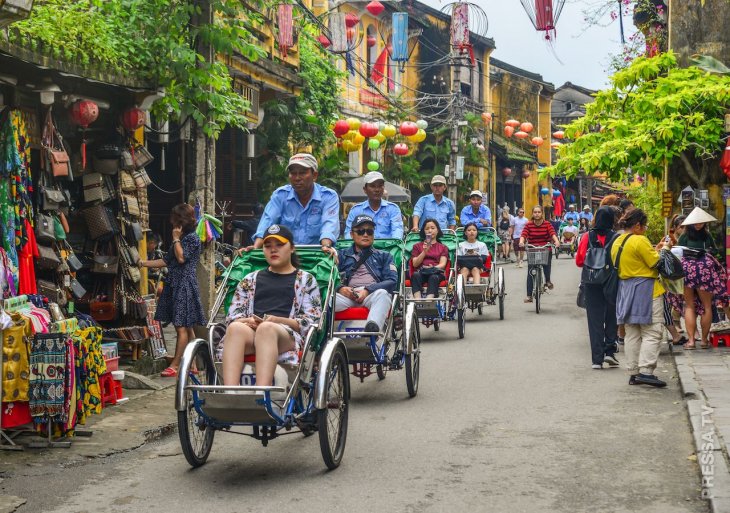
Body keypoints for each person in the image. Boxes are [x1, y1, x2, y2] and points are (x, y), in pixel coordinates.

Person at [221, 224, 321, 387]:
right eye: (268, 246)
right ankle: (231, 393)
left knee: (266, 329)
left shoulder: (305, 280)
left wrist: (275, 321)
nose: (273, 250)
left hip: (286, 335)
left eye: (280, 245)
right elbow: (233, 317)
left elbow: (311, 322)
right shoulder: (249, 279)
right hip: (251, 331)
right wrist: (249, 321)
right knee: (235, 329)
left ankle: (262, 393)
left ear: (292, 248)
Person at [139, 204, 207, 378]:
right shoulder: (183, 237)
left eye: (174, 218)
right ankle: (192, 364)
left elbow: (181, 258)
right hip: (175, 284)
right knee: (188, 327)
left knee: (181, 327)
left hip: (185, 285)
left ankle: (176, 364)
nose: (171, 222)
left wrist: (176, 239)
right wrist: (143, 263)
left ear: (180, 220)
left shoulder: (192, 238)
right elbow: (167, 261)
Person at [611, 208, 669, 387]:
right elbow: (655, 262)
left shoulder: (617, 241)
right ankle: (646, 371)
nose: (645, 229)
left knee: (632, 332)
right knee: (652, 331)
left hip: (626, 289)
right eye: (644, 226)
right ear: (637, 225)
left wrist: (654, 249)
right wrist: (665, 249)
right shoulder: (640, 240)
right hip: (646, 289)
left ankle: (633, 371)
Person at [252, 153, 339, 256]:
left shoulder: (329, 196)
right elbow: (267, 222)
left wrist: (326, 247)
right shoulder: (280, 195)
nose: (297, 178)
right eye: (293, 173)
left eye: (302, 173)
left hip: (317, 256)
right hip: (285, 258)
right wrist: (255, 248)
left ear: (314, 175)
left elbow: (329, 225)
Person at [336, 215, 398, 333]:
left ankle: (372, 329)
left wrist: (368, 290)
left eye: (369, 231)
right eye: (360, 231)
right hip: (347, 296)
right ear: (351, 234)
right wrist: (340, 288)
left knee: (383, 294)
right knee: (327, 298)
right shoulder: (340, 255)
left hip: (372, 295)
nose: (365, 235)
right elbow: (329, 279)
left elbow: (392, 280)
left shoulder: (385, 256)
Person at [576, 207, 620, 369]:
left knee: (594, 320)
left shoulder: (587, 236)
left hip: (591, 282)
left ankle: (596, 360)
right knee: (611, 316)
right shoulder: (617, 238)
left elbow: (580, 261)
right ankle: (609, 351)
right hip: (611, 282)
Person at [677, 207, 726, 349]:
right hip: (705, 270)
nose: (698, 225)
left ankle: (693, 341)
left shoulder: (684, 236)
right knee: (706, 306)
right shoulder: (707, 235)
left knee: (690, 306)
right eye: (696, 223)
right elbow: (715, 251)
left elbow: (678, 252)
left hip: (687, 271)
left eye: (701, 223)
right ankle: (702, 341)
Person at [345, 171, 404, 239]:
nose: (377, 189)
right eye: (372, 186)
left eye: (380, 186)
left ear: (383, 188)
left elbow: (397, 232)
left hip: (388, 248)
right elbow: (348, 234)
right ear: (365, 190)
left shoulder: (393, 209)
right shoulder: (355, 210)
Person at [519, 205, 560, 303]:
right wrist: (521, 241)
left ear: (542, 213)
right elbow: (523, 235)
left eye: (539, 212)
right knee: (530, 272)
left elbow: (552, 233)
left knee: (546, 265)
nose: (537, 214)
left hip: (545, 248)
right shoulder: (529, 225)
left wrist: (556, 241)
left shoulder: (547, 224)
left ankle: (548, 281)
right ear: (532, 214)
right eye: (535, 212)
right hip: (533, 249)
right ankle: (529, 296)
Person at [410, 219, 449, 299]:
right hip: (422, 271)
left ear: (437, 230)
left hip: (436, 272)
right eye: (427, 228)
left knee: (433, 277)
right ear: (424, 231)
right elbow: (414, 264)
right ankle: (417, 300)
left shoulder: (443, 247)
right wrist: (424, 251)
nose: (430, 230)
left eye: (432, 228)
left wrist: (433, 268)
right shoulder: (417, 246)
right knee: (415, 275)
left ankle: (429, 300)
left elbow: (443, 264)